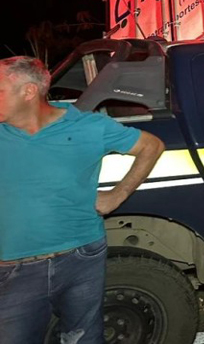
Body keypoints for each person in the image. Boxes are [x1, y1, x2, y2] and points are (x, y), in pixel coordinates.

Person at [0, 56, 165, 343]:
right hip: (12, 267)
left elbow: (151, 146)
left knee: (84, 338)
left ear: (28, 91)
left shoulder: (90, 127)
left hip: (80, 256)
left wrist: (118, 195)